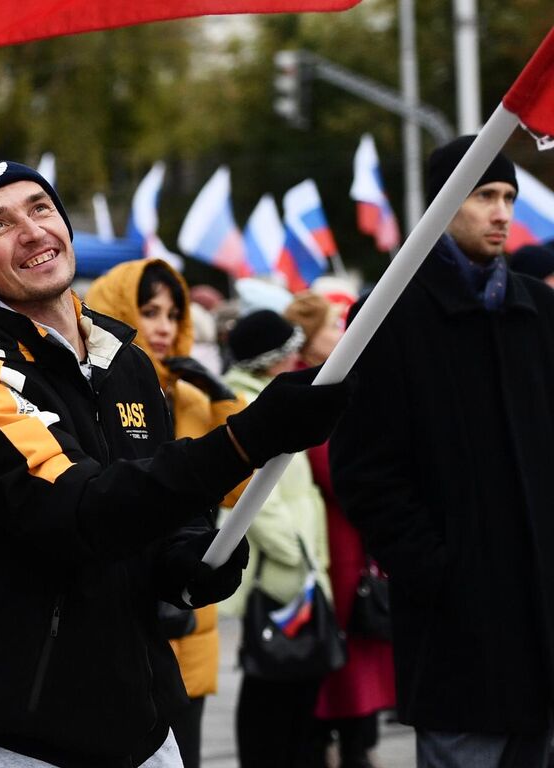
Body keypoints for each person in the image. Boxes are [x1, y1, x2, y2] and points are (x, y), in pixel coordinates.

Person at [0, 159, 346, 767]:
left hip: (145, 728)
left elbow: (160, 512)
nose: (33, 231)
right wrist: (244, 440)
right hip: (21, 743)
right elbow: (79, 508)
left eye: (40, 208)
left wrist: (189, 559)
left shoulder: (125, 359)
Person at [331, 137, 554, 768]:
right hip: (460, 636)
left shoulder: (539, 311)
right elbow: (363, 472)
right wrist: (441, 570)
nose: (502, 212)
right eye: (485, 195)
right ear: (445, 201)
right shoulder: (386, 316)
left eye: (508, 196)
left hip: (542, 629)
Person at [85, 257, 247, 768]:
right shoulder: (90, 395)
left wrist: (223, 401)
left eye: (173, 314)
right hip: (120, 623)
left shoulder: (192, 396)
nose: (162, 326)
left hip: (189, 617)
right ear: (117, 309)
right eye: (148, 310)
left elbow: (237, 493)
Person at [285, 292, 395, 768]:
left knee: (356, 667)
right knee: (340, 669)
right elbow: (336, 467)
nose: (341, 334)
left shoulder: (341, 380)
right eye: (332, 325)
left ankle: (355, 746)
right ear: (308, 338)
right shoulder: (306, 387)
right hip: (333, 545)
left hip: (350, 544)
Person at [219, 310, 331, 768]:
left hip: (298, 570)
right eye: (288, 352)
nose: (297, 359)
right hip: (277, 575)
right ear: (272, 359)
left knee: (295, 694)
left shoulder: (270, 396)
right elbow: (255, 497)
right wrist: (299, 554)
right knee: (271, 689)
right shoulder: (247, 405)